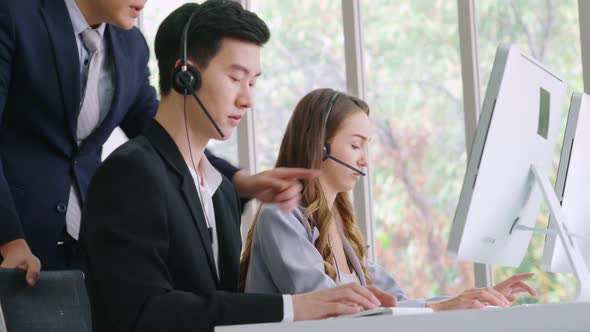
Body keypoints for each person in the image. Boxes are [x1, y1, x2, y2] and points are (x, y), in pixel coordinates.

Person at [80, 2, 397, 332]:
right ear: (185, 75)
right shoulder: (130, 175)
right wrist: (294, 306)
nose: (248, 99)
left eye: (253, 83)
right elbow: (144, 313)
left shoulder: (222, 191)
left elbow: (222, 309)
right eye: (236, 78)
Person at [0, 0, 313, 285]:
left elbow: (158, 128)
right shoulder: (14, 14)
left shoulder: (130, 45)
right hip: (16, 244)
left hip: (81, 246)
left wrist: (241, 181)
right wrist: (9, 239)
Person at [240, 88, 538, 310]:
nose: (364, 161)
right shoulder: (280, 217)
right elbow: (332, 308)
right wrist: (442, 307)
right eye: (356, 145)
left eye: (366, 147)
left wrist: (471, 299)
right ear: (320, 147)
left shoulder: (342, 233)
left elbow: (398, 302)